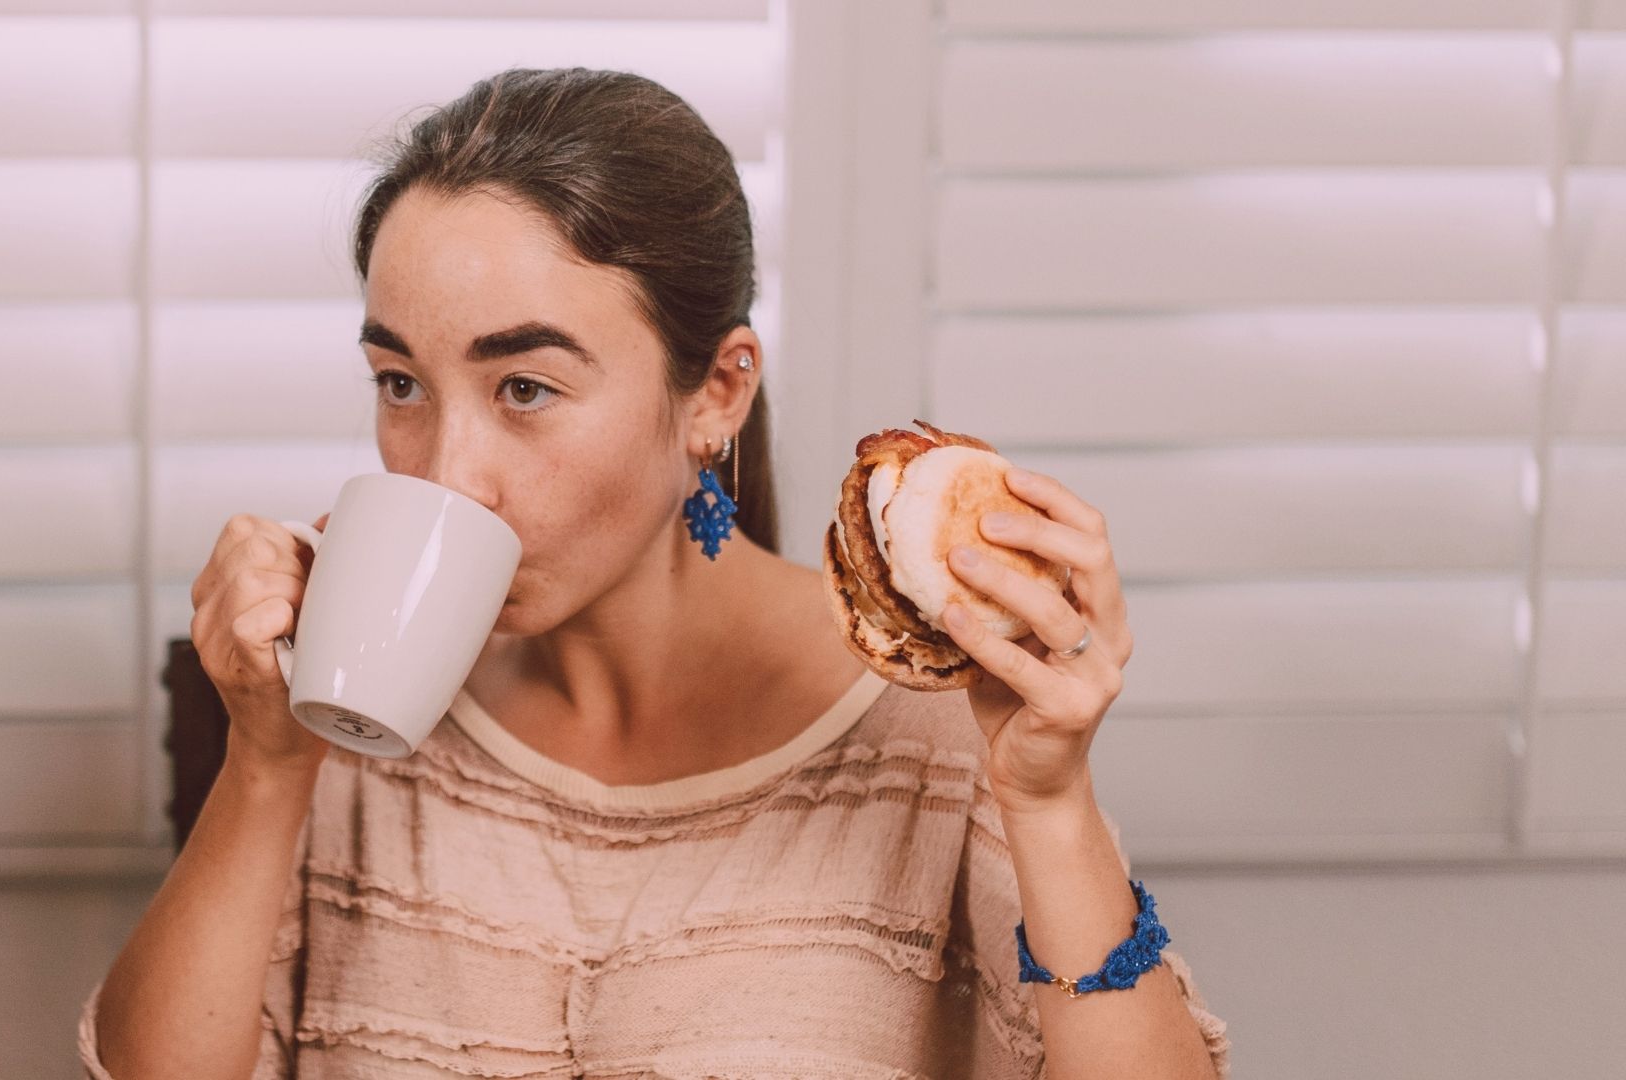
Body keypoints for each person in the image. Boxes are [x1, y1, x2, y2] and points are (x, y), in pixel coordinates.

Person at [79, 67, 1230, 1079]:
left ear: (716, 394)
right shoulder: (346, 719)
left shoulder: (935, 731)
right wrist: (267, 765)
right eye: (400, 384)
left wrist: (1049, 798)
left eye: (523, 388)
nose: (445, 474)